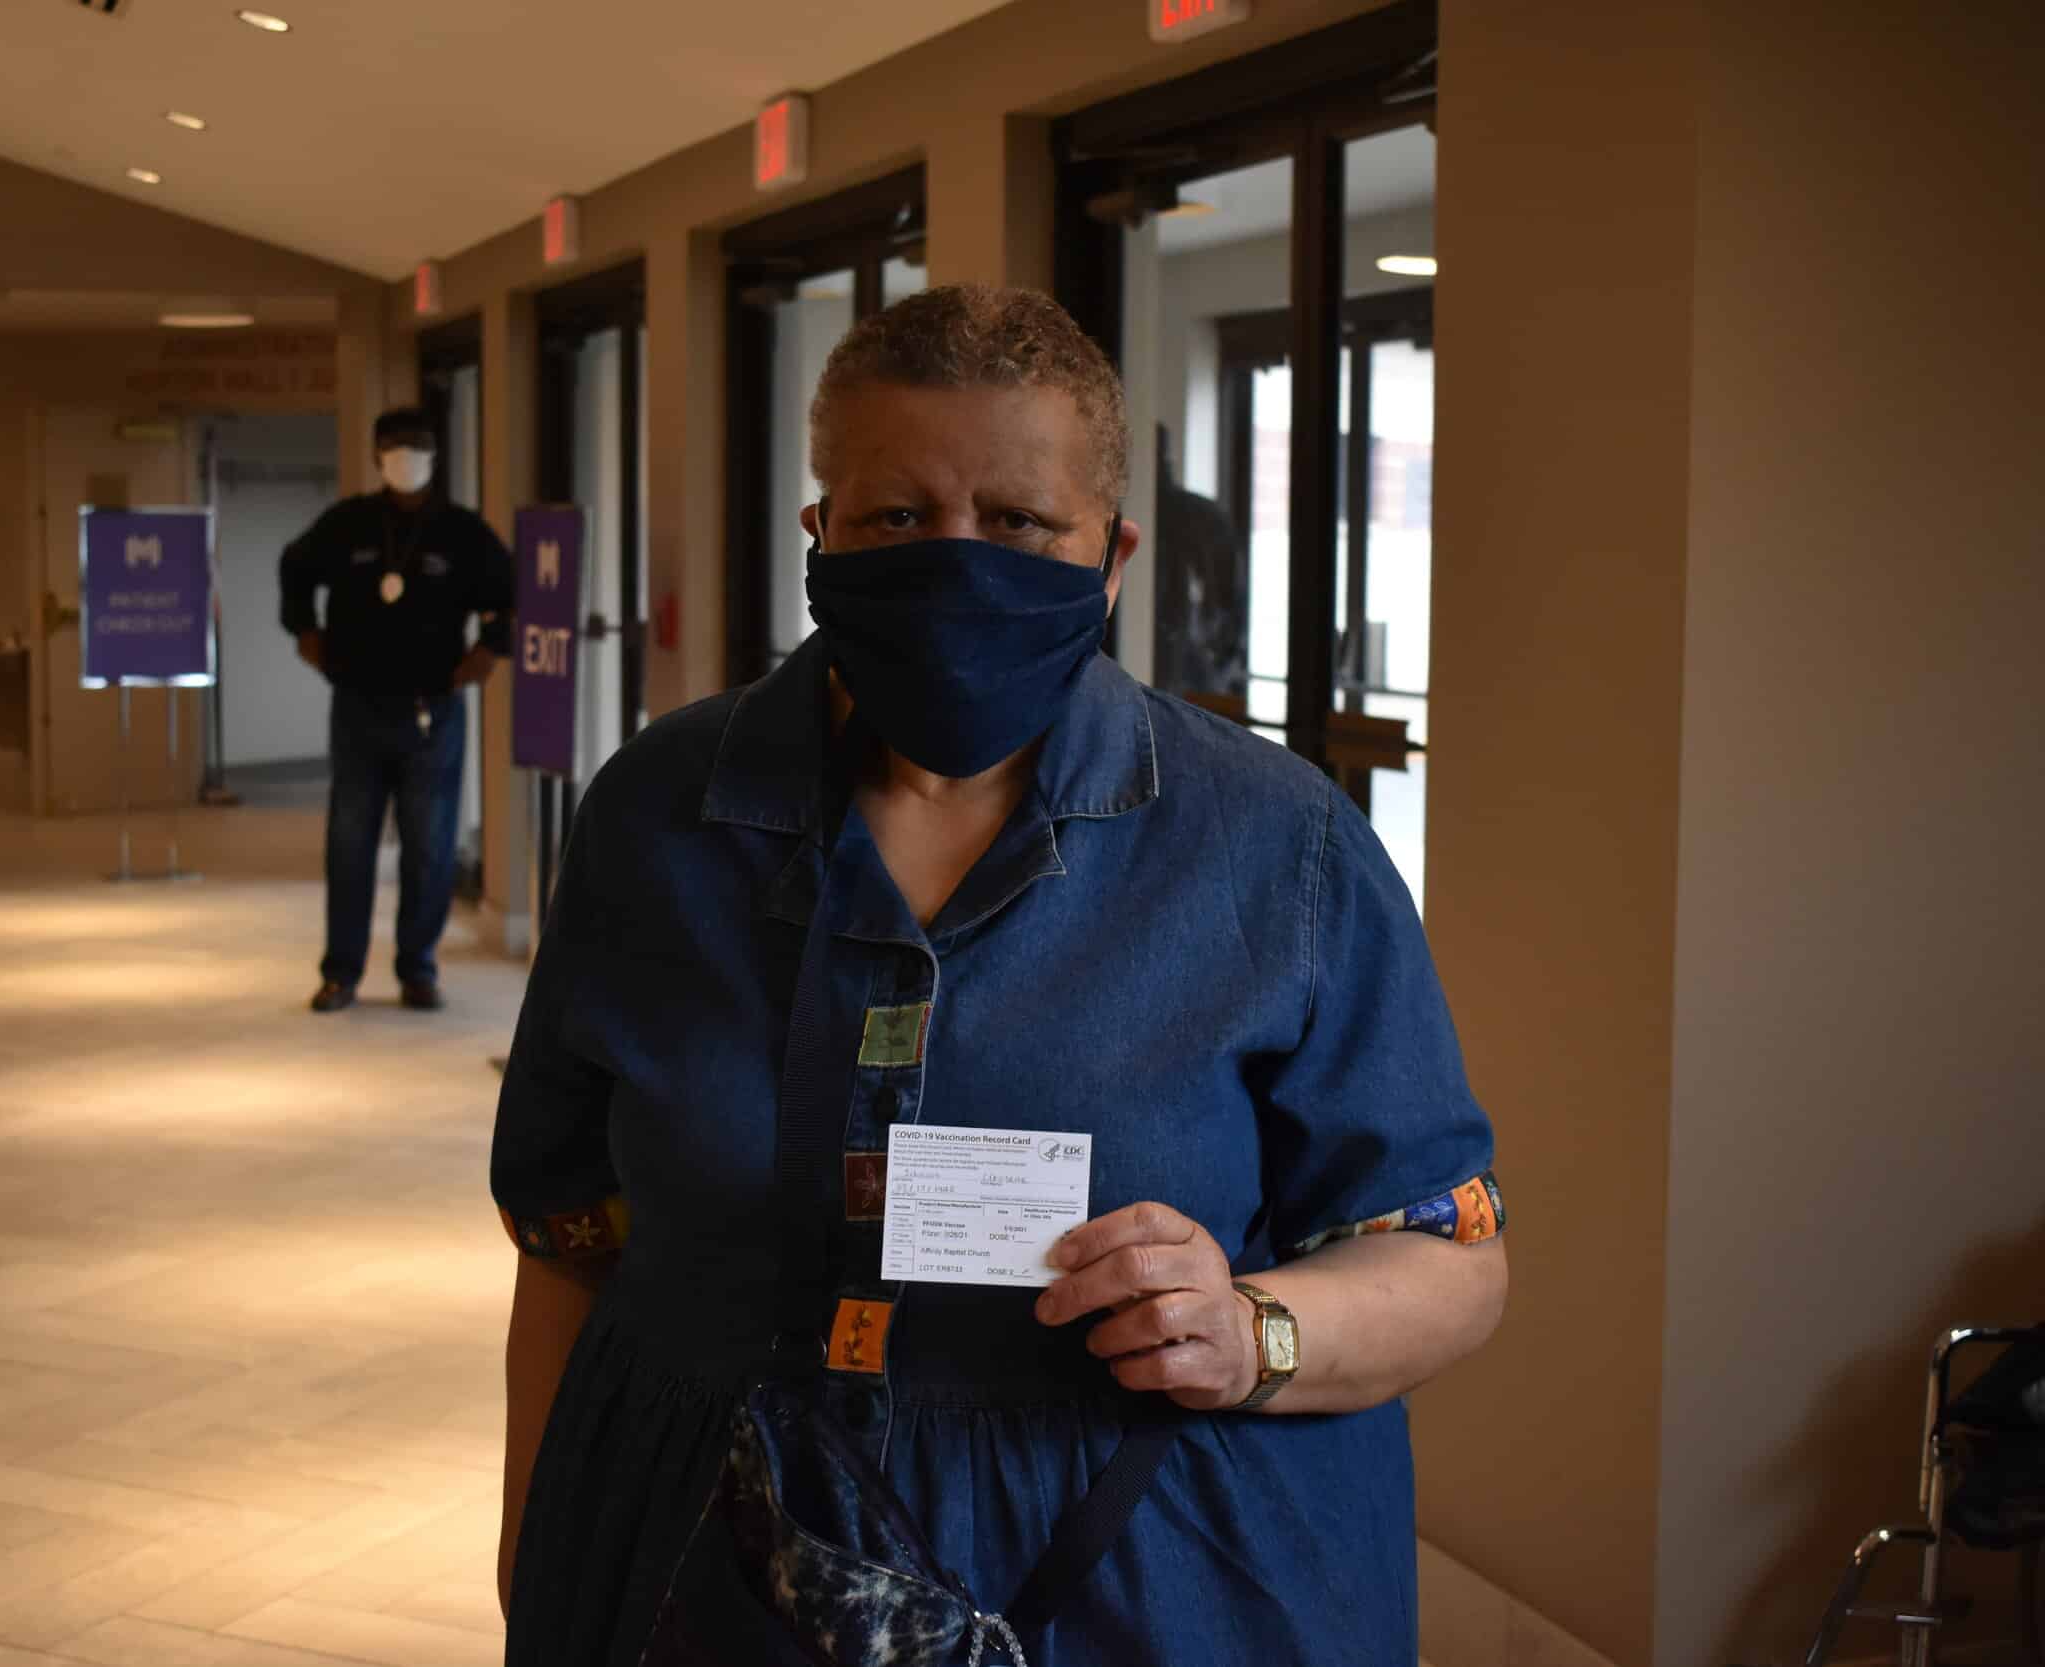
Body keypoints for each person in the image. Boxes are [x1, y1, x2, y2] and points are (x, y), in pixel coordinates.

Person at [489, 286, 1506, 1666]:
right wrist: (538, 1550)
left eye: (1021, 523)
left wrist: (1251, 1326)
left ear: (1113, 551)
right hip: (701, 1565)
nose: (955, 563)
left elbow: (1450, 1250)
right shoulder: (659, 813)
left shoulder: (1277, 844)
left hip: (1152, 1572)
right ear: (819, 535)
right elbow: (568, 1240)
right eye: (896, 518)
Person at [278, 408, 514, 1014]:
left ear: (433, 455)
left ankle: (418, 967)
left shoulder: (462, 532)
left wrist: (488, 652)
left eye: (417, 445)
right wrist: (304, 631)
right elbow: (295, 567)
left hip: (431, 710)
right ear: (378, 454)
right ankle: (342, 972)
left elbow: (507, 597)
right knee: (350, 843)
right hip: (358, 705)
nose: (405, 455)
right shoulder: (350, 523)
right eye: (394, 446)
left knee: (431, 846)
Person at [1150, 423, 1248, 699]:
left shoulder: (1117, 517)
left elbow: (1233, 608)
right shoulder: (1210, 517)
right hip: (1201, 687)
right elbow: (1235, 611)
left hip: (1191, 682)